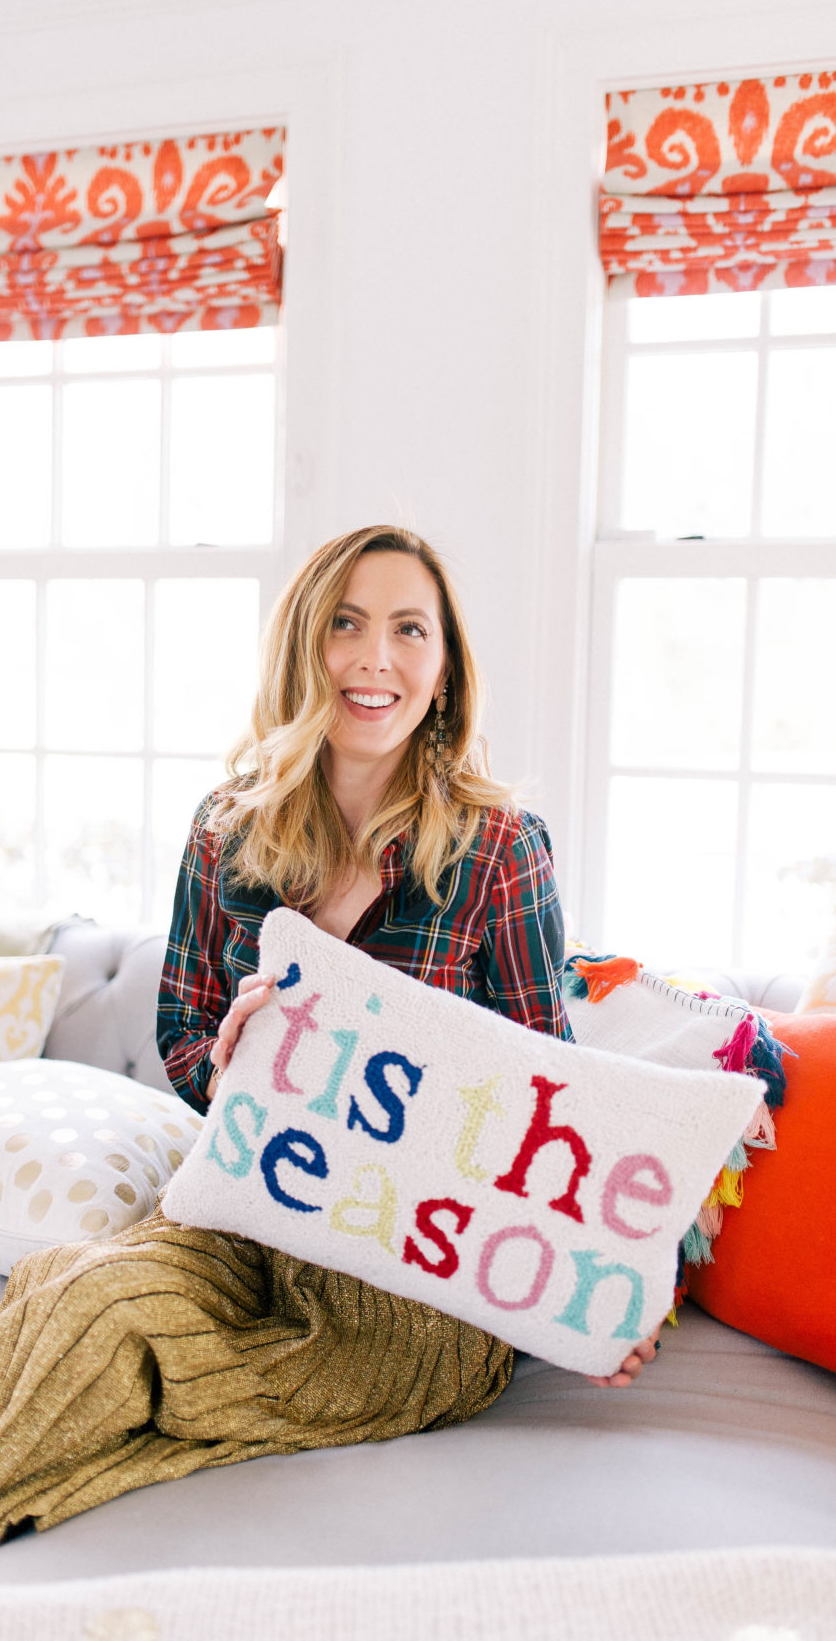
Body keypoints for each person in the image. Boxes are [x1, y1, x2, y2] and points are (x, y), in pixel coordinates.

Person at [157, 524, 660, 1389]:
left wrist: (585, 1292)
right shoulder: (224, 828)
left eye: (409, 629)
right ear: (302, 647)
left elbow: (550, 1089)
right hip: (252, 1226)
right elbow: (182, 1027)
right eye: (345, 624)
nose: (375, 658)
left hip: (422, 1260)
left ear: (445, 668)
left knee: (209, 1385)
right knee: (71, 1303)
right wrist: (231, 1065)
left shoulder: (500, 845)